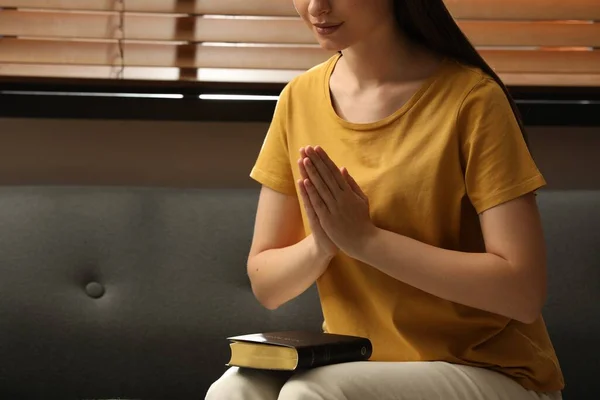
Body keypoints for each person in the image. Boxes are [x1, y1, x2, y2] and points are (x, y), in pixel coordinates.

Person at [206, 0, 564, 399]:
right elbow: (267, 284)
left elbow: (523, 293)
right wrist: (323, 244)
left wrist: (366, 241)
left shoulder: (474, 100)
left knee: (310, 394)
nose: (315, 7)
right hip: (358, 364)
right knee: (234, 391)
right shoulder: (298, 98)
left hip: (488, 372)